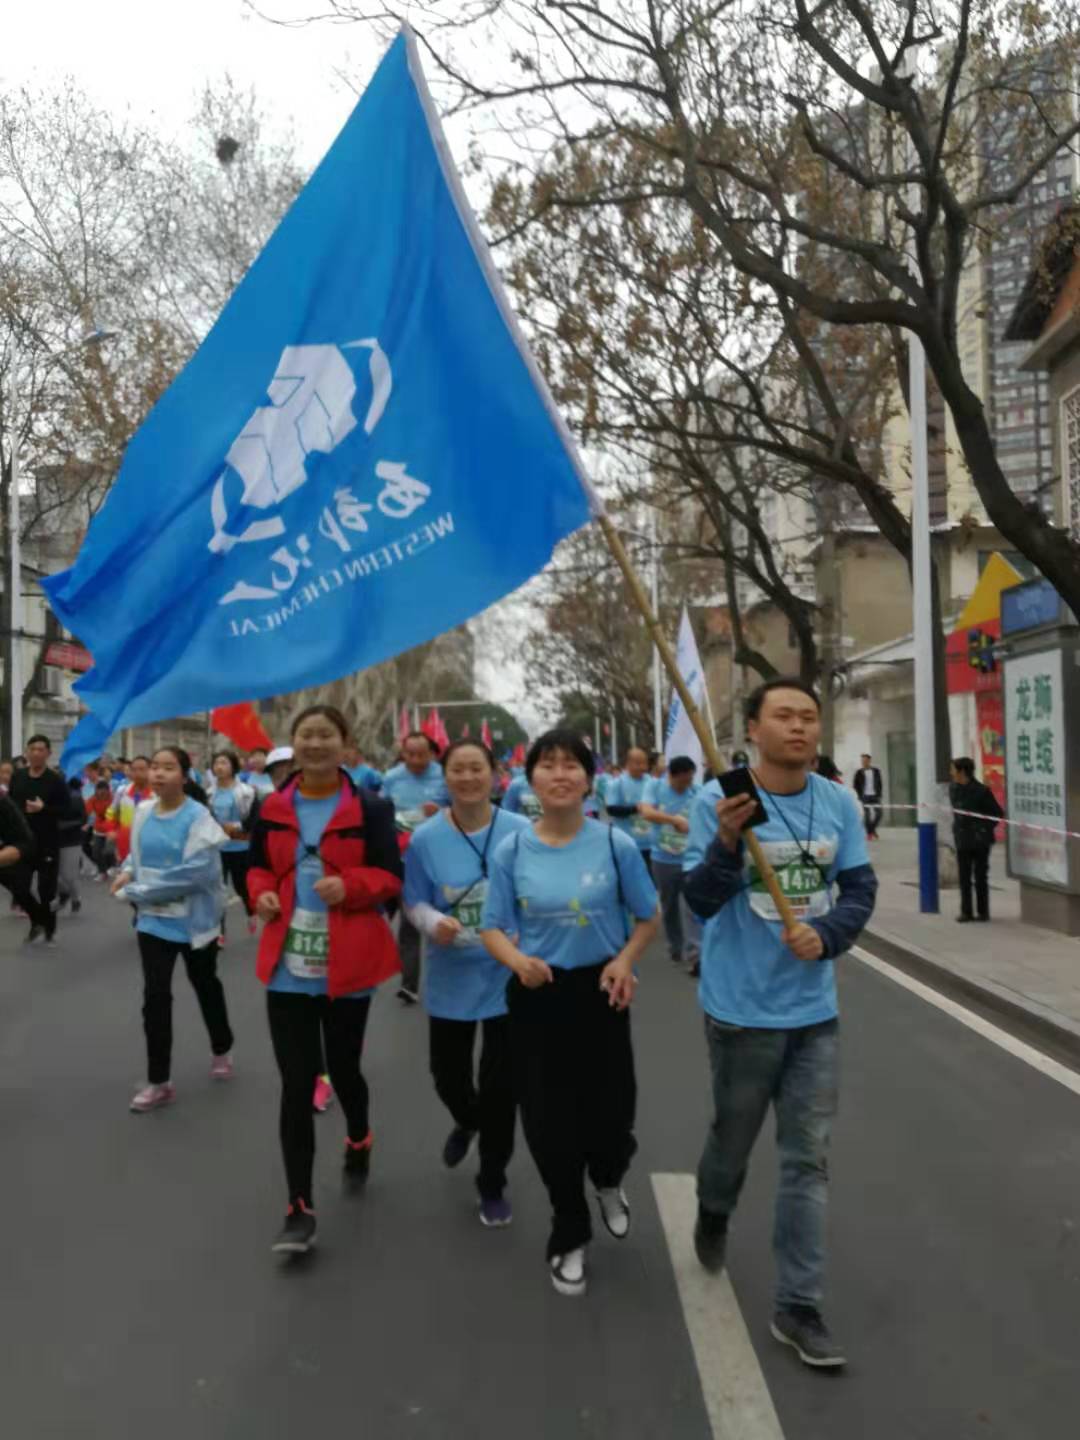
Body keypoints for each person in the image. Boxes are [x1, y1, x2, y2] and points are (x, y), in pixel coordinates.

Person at [683, 678, 878, 1370]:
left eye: (808, 718)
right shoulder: (719, 802)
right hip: (740, 1014)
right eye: (783, 717)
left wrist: (826, 935)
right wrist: (728, 842)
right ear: (755, 730)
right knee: (732, 1144)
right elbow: (700, 903)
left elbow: (859, 889)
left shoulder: (836, 802)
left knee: (807, 1160)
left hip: (814, 1014)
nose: (798, 727)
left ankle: (799, 1305)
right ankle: (713, 1207)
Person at [480, 729, 659, 1298]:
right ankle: (569, 1229)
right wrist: (517, 961)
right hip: (537, 994)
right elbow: (490, 926)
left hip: (601, 992)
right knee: (547, 1121)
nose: (560, 775)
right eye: (548, 765)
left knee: (611, 1115)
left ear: (589, 779)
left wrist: (626, 960)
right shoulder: (510, 850)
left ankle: (608, 1179)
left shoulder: (615, 846)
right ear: (529, 779)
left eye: (571, 766)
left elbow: (648, 916)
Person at [247, 705, 403, 1256]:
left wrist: (353, 886)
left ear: (344, 744)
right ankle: (298, 1206)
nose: (315, 744)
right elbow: (258, 865)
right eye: (305, 736)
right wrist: (261, 893)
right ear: (294, 746)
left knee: (344, 1069)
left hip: (347, 966)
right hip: (287, 966)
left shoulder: (371, 808)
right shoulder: (271, 806)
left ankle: (359, 1134)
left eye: (325, 735)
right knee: (296, 1083)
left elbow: (391, 877)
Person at [404, 740, 531, 1228]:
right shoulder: (425, 839)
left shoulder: (520, 832)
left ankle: (492, 1182)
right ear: (446, 777)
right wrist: (433, 921)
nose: (468, 777)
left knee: (502, 1089)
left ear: (495, 774)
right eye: (457, 769)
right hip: (451, 975)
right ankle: (467, 1118)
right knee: (448, 1076)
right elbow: (413, 900)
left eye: (477, 768)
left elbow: (536, 892)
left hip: (508, 976)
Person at [112, 747, 235, 1113]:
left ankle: (221, 1047)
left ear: (185, 775)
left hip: (194, 923)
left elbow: (197, 873)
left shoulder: (199, 818)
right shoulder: (144, 811)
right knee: (155, 998)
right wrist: (127, 869)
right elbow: (137, 851)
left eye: (168, 768)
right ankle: (159, 1081)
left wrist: (135, 890)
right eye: (154, 767)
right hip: (153, 922)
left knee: (205, 985)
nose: (159, 774)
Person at [382, 731, 450, 1005]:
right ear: (403, 753)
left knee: (442, 921)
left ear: (432, 753)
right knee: (409, 925)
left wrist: (443, 811)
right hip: (405, 860)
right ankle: (409, 985)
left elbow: (464, 808)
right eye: (410, 754)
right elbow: (382, 811)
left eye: (422, 754)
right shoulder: (392, 778)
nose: (416, 760)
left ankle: (448, 978)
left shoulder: (444, 775)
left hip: (439, 859)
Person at [639, 756, 702, 974]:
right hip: (663, 859)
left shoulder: (696, 791)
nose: (688, 783)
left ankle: (695, 955)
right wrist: (674, 820)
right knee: (670, 906)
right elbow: (646, 811)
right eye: (684, 779)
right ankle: (675, 946)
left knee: (693, 906)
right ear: (673, 776)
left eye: (691, 778)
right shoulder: (655, 787)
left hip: (691, 859)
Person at [9, 734, 70, 943]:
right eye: (32, 749)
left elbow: (67, 810)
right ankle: (37, 921)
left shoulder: (55, 780)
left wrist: (44, 809)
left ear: (48, 754)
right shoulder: (18, 777)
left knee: (46, 891)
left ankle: (49, 930)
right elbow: (10, 807)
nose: (36, 753)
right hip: (22, 843)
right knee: (18, 888)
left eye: (40, 749)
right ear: (26, 752)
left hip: (47, 844)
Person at [949, 757, 1004, 924]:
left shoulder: (981, 791)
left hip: (980, 841)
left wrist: (983, 828)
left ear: (962, 771)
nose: (951, 773)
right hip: (962, 839)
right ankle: (966, 912)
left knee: (980, 876)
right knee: (964, 877)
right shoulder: (954, 789)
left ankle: (983, 912)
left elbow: (997, 813)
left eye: (953, 769)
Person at [206, 751, 257, 931]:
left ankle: (251, 912)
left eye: (224, 763)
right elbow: (205, 818)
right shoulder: (209, 793)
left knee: (242, 886)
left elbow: (253, 819)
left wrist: (236, 826)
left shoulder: (246, 791)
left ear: (233, 766)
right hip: (218, 848)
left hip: (240, 847)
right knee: (218, 890)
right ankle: (220, 929)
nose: (219, 767)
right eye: (216, 763)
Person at [0, 787, 52, 936]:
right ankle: (39, 920)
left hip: (21, 843)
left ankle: (40, 920)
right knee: (18, 889)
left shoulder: (3, 801)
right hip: (6, 844)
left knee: (19, 889)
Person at [603, 747, 655, 869]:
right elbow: (611, 810)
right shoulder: (617, 783)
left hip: (650, 844)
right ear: (628, 764)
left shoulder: (651, 781)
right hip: (626, 843)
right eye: (638, 763)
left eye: (645, 763)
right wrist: (635, 809)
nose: (643, 767)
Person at [106, 755, 154, 867]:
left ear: (150, 770)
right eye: (134, 770)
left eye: (142, 769)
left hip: (148, 846)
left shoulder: (157, 794)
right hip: (125, 845)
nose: (137, 773)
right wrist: (111, 830)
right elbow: (111, 813)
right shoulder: (122, 791)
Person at [57, 776, 87, 914]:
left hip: (71, 840)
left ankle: (76, 898)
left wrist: (62, 825)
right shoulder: (46, 797)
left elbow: (82, 819)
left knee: (68, 874)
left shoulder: (75, 798)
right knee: (50, 874)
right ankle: (64, 894)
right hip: (51, 839)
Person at [852, 752, 883, 840]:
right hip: (864, 796)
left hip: (875, 796)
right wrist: (859, 795)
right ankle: (870, 833)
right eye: (862, 761)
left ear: (869, 761)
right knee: (867, 816)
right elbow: (855, 785)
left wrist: (879, 794)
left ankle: (871, 830)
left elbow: (880, 783)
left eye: (865, 761)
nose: (863, 762)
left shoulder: (876, 771)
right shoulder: (859, 772)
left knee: (879, 814)